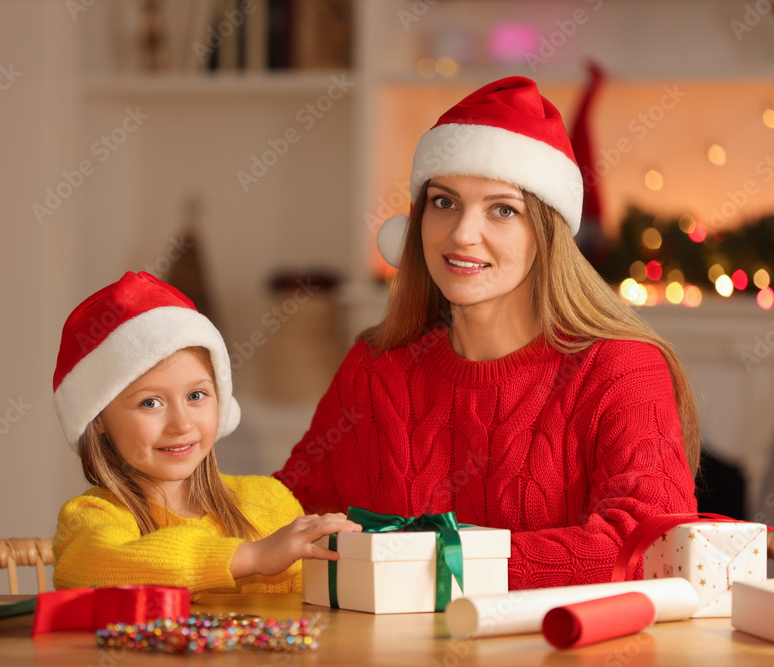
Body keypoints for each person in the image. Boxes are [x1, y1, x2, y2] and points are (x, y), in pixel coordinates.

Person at [274, 76, 699, 589]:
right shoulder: (374, 367)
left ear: (545, 235)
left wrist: (434, 561)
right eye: (444, 202)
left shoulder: (620, 370)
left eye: (503, 209)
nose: (461, 234)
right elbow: (286, 507)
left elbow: (651, 546)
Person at [51, 271, 359, 593]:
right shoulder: (90, 518)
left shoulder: (270, 503)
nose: (182, 425)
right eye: (150, 402)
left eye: (196, 396)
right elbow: (97, 567)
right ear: (97, 419)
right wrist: (251, 556)